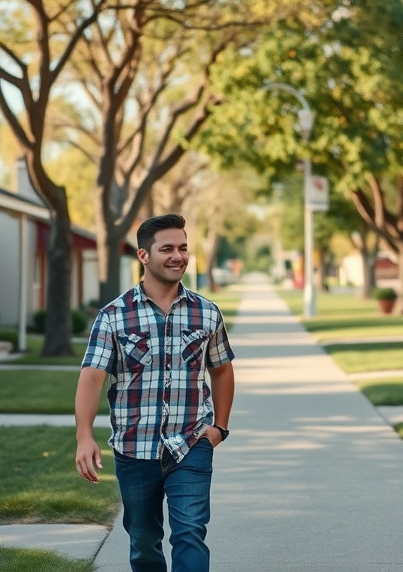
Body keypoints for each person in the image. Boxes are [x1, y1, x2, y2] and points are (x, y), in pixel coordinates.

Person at [75, 213, 236, 572]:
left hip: (192, 443)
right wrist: (84, 436)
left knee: (190, 532)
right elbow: (92, 376)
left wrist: (219, 429)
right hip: (135, 448)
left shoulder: (206, 313)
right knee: (143, 539)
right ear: (144, 256)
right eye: (167, 249)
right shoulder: (114, 315)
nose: (178, 256)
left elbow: (222, 369)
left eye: (183, 247)